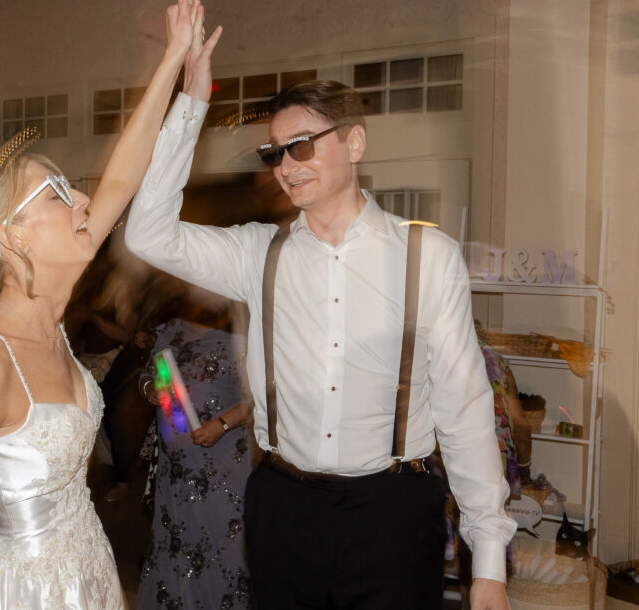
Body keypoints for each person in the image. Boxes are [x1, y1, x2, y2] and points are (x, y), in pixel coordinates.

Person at [125, 46, 516, 605]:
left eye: (302, 145)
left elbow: (465, 408)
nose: (286, 165)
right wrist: (192, 100)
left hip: (395, 512)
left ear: (353, 142)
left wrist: (489, 566)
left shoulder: (427, 256)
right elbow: (147, 235)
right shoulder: (258, 252)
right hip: (284, 506)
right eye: (275, 153)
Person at [0, 0, 222, 609]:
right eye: (59, 195)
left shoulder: (52, 324)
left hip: (89, 576)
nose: (84, 200)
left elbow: (121, 177)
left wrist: (177, 68)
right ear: (12, 237)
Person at [136, 284, 252, 610]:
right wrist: (150, 389)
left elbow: (263, 395)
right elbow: (150, 373)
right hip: (176, 464)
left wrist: (222, 424)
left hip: (224, 463)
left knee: (220, 546)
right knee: (177, 541)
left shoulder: (245, 336)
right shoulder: (170, 329)